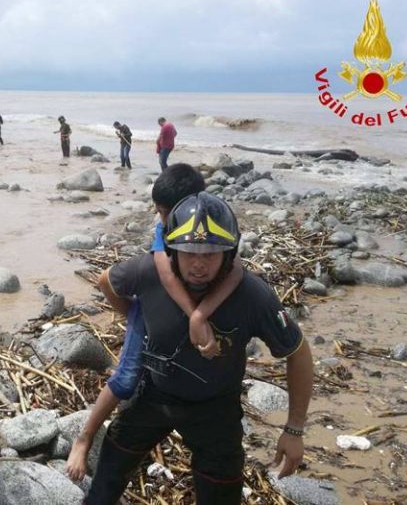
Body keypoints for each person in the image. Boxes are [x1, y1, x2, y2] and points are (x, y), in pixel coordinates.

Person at [84, 191, 314, 504]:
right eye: (189, 251)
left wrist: (294, 429)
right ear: (171, 250)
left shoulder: (251, 296)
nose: (199, 264)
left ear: (229, 254)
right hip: (154, 393)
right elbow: (107, 280)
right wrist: (136, 316)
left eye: (210, 253)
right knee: (106, 477)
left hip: (215, 410)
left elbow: (298, 353)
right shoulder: (149, 272)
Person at [66, 164, 244, 483]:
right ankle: (85, 437)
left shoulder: (213, 223)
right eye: (160, 213)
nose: (161, 221)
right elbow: (158, 275)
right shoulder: (166, 231)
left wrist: (202, 315)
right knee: (125, 378)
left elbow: (237, 271)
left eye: (164, 213)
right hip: (156, 304)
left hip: (187, 310)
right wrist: (143, 313)